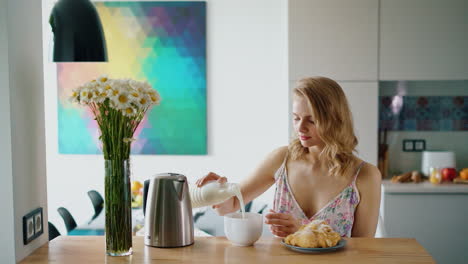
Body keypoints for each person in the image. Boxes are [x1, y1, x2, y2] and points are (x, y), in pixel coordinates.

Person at [196, 76, 381, 237]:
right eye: (296, 118)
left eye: (311, 120)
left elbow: (363, 249)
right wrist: (215, 191)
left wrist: (303, 231)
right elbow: (232, 204)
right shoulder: (281, 159)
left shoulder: (365, 176)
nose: (300, 128)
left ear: (335, 119)